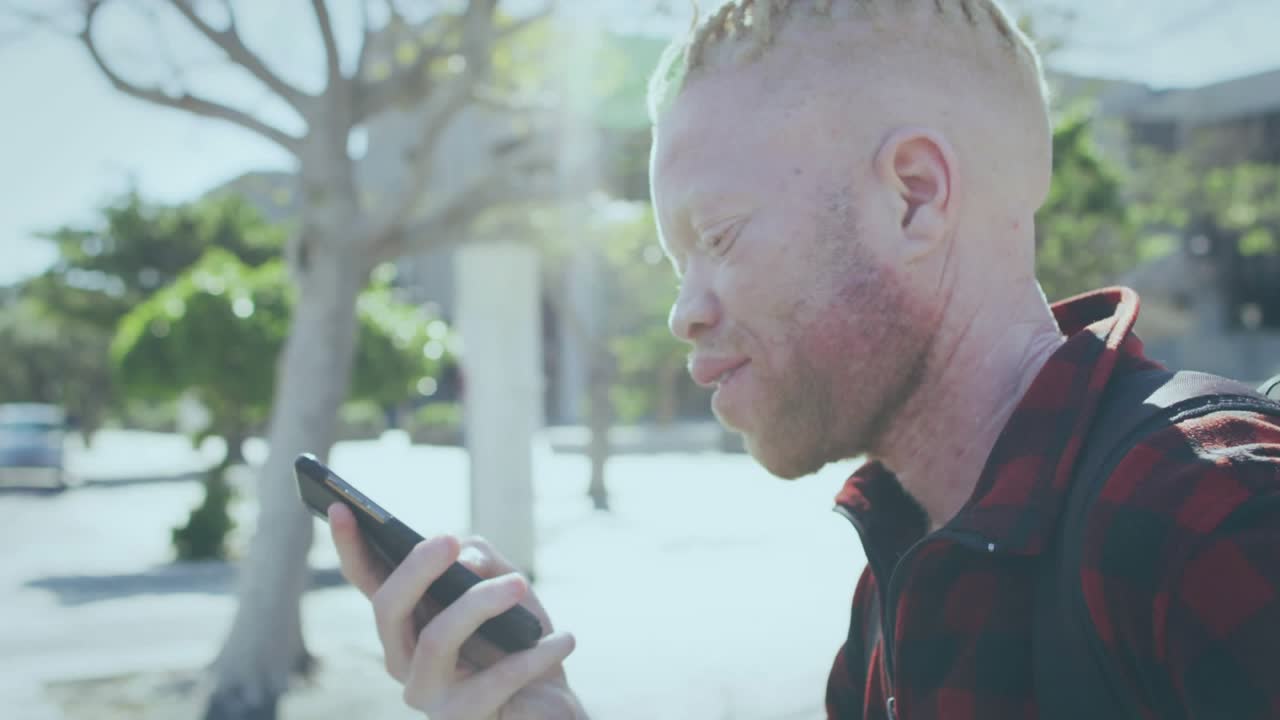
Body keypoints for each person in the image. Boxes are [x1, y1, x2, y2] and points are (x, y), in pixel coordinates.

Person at [329, 1, 1280, 718]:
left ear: (913, 197)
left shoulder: (1208, 522)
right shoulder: (899, 576)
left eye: (722, 236)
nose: (683, 312)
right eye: (674, 264)